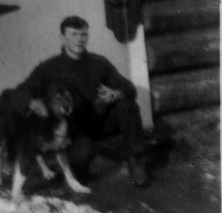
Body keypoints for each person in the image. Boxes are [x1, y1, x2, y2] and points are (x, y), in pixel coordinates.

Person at [12, 15, 149, 187]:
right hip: (72, 130)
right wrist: (31, 102)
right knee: (82, 155)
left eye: (83, 34)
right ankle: (78, 167)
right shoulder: (49, 68)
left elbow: (128, 87)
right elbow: (21, 90)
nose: (79, 40)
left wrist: (117, 94)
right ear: (63, 37)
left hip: (100, 121)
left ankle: (135, 160)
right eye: (74, 34)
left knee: (128, 106)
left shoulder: (99, 63)